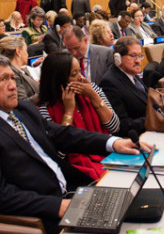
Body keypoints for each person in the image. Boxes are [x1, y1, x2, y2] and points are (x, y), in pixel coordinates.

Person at [0, 54, 145, 234]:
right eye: (3, 79)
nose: (12, 85)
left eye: (13, 78)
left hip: (74, 188)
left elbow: (63, 134)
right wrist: (56, 206)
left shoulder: (23, 109)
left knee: (140, 206)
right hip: (45, 213)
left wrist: (113, 143)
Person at [36, 52, 121, 180]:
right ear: (59, 80)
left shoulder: (92, 89)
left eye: (80, 71)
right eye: (74, 74)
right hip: (75, 171)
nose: (81, 77)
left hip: (109, 156)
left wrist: (93, 96)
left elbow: (114, 127)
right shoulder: (44, 110)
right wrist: (69, 112)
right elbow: (58, 155)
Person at [98, 37, 148, 137]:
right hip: (134, 137)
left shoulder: (132, 74)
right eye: (133, 56)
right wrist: (150, 120)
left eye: (140, 56)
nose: (138, 61)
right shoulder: (109, 83)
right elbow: (122, 125)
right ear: (117, 58)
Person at [0, 36, 39, 102]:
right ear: (18, 51)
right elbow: (23, 102)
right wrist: (45, 91)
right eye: (25, 50)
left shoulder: (23, 70)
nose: (27, 54)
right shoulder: (11, 75)